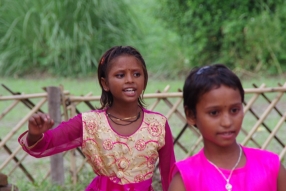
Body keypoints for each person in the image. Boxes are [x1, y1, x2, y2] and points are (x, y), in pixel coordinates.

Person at [18, 45, 176, 191]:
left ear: (145, 80)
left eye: (137, 74)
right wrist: (35, 135)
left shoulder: (158, 125)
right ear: (105, 83)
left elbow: (169, 175)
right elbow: (46, 143)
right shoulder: (88, 123)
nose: (130, 80)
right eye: (120, 75)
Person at [168, 64, 286, 191]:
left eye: (234, 110)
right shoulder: (186, 178)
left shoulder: (271, 167)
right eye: (214, 113)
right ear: (191, 115)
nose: (227, 122)